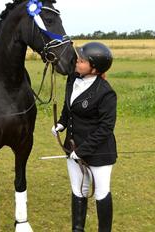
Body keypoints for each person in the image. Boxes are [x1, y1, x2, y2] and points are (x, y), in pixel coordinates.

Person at [51, 42, 117, 232]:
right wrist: (62, 123)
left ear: (94, 68)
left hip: (99, 153)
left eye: (81, 61)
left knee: (101, 193)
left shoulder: (106, 92)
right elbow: (68, 107)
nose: (77, 63)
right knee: (78, 190)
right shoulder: (73, 79)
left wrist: (82, 151)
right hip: (73, 148)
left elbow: (106, 128)